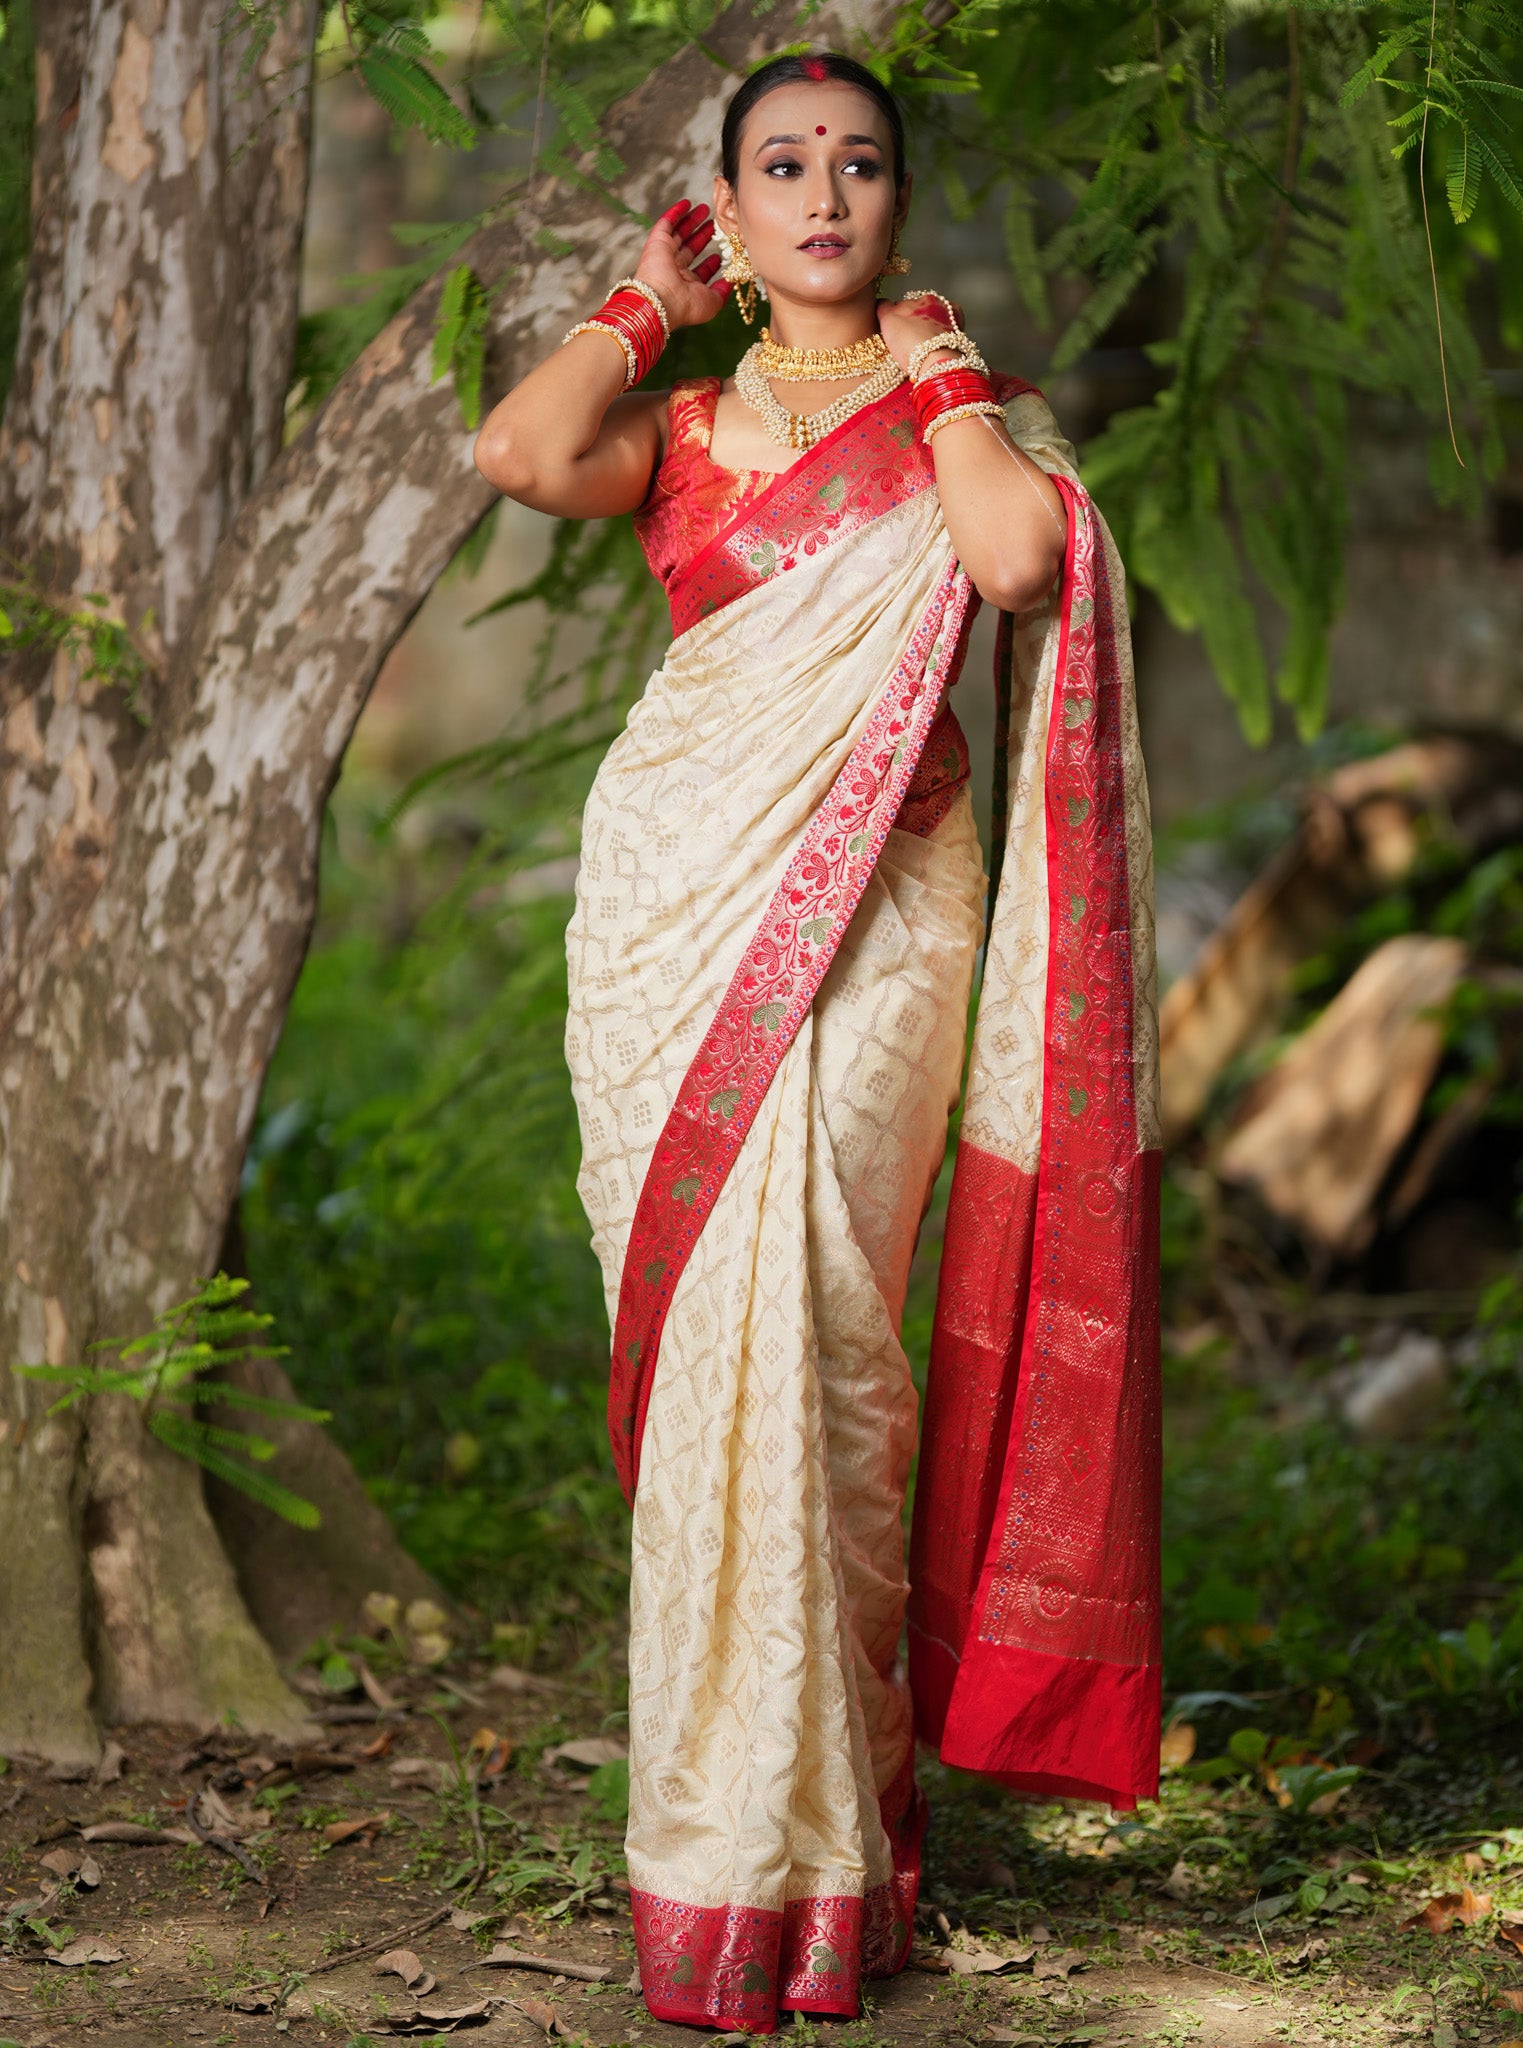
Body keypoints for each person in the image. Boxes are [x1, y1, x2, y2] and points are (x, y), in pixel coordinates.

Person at [474, 49, 1162, 2038]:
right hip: (676, 921)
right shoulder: (683, 426)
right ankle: (715, 1851)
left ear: (901, 201)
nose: (828, 194)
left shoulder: (970, 422)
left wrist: (942, 367)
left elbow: (1021, 567)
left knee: (832, 1347)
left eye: (862, 164)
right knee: (716, 1368)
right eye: (783, 166)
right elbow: (520, 457)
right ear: (733, 204)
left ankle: (840, 1848)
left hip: (882, 926)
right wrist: (638, 299)